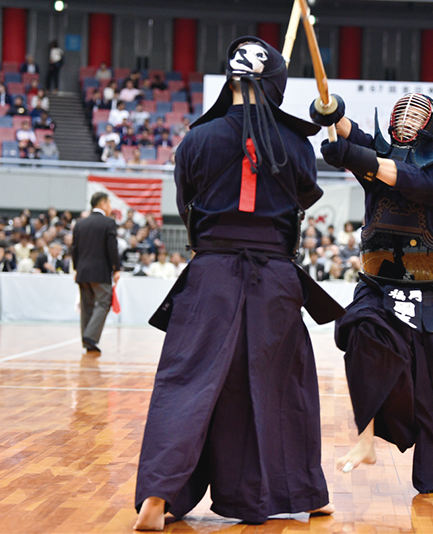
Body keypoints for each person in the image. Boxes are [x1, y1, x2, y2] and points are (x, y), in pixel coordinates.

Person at [134, 37, 338, 530]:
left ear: (231, 80)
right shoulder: (295, 145)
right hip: (275, 280)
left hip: (210, 278)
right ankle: (302, 492)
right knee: (281, 385)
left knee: (186, 381)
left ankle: (158, 497)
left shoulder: (197, 139)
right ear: (276, 85)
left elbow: (188, 205)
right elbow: (303, 200)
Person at [318, 91, 433, 495]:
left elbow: (404, 178)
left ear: (430, 126)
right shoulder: (376, 158)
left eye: (418, 114)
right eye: (404, 111)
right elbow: (350, 133)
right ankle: (365, 438)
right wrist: (331, 112)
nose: (409, 118)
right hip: (378, 286)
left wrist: (356, 158)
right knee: (360, 333)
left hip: (429, 291)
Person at [71, 192, 121, 356]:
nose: (110, 207)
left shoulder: (80, 223)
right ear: (102, 203)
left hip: (83, 271)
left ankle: (88, 341)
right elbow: (112, 248)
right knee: (104, 302)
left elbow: (74, 249)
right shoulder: (108, 223)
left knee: (87, 306)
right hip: (100, 271)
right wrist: (117, 269)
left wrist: (76, 268)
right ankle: (90, 336)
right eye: (109, 203)